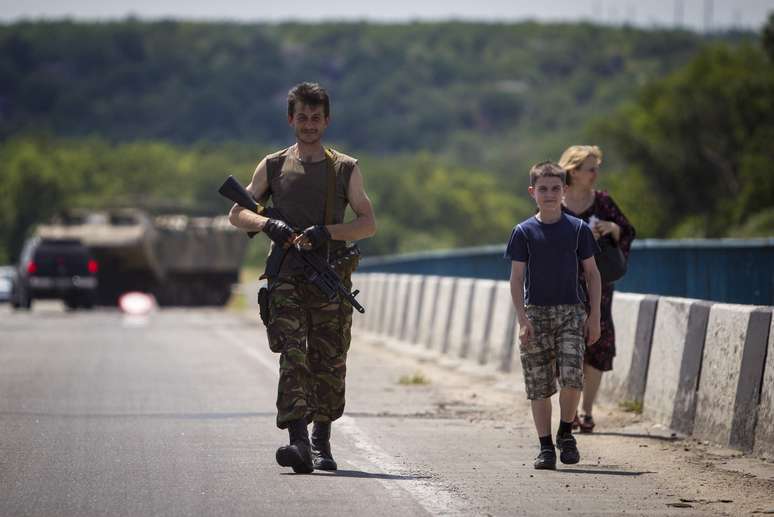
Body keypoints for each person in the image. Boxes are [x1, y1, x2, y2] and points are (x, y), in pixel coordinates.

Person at [228, 82, 376, 473]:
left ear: (326, 120)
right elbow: (236, 213)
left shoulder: (344, 167)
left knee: (328, 361)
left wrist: (327, 232)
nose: (309, 124)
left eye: (316, 118)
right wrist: (268, 224)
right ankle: (298, 442)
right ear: (290, 118)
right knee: (293, 355)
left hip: (329, 276)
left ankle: (321, 438)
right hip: (286, 277)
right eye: (302, 117)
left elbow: (367, 223)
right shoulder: (273, 165)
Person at [505, 161, 601, 470]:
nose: (549, 194)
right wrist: (522, 319)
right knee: (539, 384)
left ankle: (565, 433)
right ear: (533, 192)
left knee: (572, 376)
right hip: (535, 314)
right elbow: (517, 279)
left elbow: (592, 274)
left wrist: (594, 315)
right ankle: (545, 447)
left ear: (565, 191)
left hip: (571, 312)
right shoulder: (523, 232)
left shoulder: (578, 230)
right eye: (543, 189)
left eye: (555, 188)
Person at [559, 145, 636, 433]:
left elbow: (627, 231)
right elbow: (538, 235)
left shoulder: (603, 201)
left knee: (597, 344)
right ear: (574, 171)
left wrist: (611, 228)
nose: (595, 174)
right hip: (563, 286)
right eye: (590, 168)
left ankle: (586, 410)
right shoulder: (554, 198)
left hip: (598, 285)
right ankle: (571, 412)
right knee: (567, 348)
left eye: (596, 168)